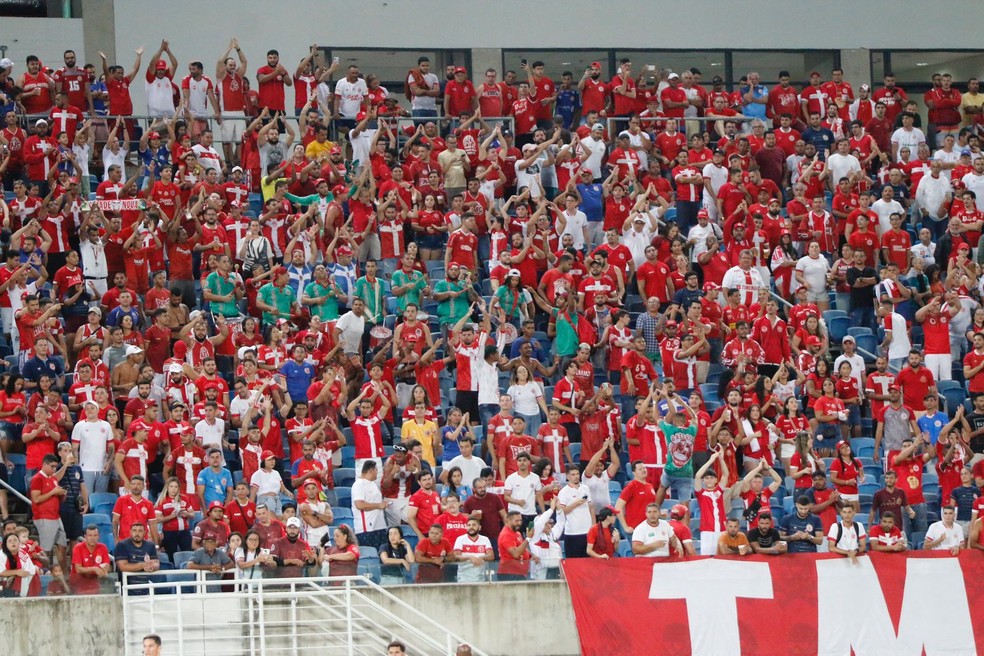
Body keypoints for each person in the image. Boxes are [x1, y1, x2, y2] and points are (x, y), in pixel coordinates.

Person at [556, 465, 594, 558]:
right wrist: (576, 504)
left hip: (587, 531)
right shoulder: (564, 492)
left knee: (588, 561)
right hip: (573, 533)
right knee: (574, 562)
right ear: (567, 476)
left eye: (577, 474)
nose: (576, 476)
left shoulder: (585, 488)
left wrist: (594, 525)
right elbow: (561, 511)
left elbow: (591, 507)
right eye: (573, 474)